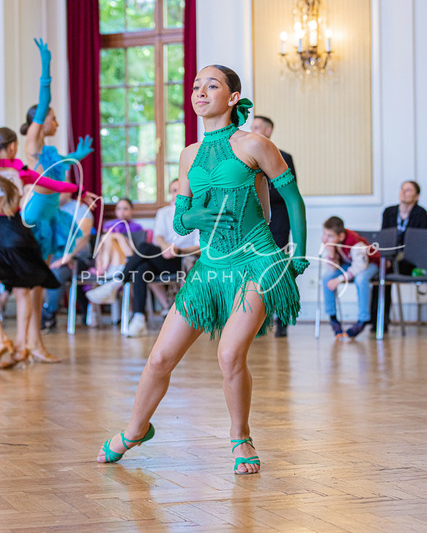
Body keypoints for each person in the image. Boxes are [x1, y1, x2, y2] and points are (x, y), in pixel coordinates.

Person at [95, 64, 309, 474]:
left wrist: (296, 254)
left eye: (212, 85)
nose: (200, 92)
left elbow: (293, 200)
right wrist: (196, 217)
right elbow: (180, 221)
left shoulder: (255, 143)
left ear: (233, 97)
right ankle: (136, 430)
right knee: (160, 358)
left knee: (229, 353)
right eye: (196, 86)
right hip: (209, 267)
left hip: (256, 261)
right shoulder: (188, 155)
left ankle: (240, 436)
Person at [19, 38, 95, 361]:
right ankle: (29, 343)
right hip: (37, 214)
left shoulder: (49, 151)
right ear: (41, 119)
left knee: (39, 282)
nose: (57, 122)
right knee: (32, 283)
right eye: (53, 118)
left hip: (52, 216)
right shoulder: (33, 140)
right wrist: (47, 67)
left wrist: (77, 155)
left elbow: (62, 165)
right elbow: (44, 100)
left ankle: (33, 343)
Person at [86, 179, 199, 337]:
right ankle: (139, 319)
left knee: (144, 248)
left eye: (180, 189)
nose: (178, 193)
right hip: (163, 255)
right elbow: (158, 237)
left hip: (182, 259)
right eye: (174, 190)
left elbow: (199, 246)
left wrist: (178, 250)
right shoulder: (163, 213)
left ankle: (116, 283)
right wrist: (166, 247)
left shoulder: (197, 213)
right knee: (142, 268)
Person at [0, 176, 61, 368]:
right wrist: (79, 191)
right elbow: (54, 185)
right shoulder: (15, 177)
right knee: (23, 291)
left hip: (4, 237)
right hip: (21, 236)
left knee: (22, 291)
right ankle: (21, 345)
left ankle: (2, 340)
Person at [251, 115, 297, 337]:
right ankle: (258, 320)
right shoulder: (247, 156)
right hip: (254, 222)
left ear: (268, 130)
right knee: (256, 270)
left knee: (278, 268)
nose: (253, 130)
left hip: (278, 220)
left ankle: (282, 319)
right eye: (252, 127)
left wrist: (263, 192)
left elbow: (289, 193)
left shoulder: (284, 157)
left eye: (257, 127)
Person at [370, 180, 427, 331]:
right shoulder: (389, 212)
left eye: (408, 190)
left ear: (416, 196)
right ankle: (378, 321)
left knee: (385, 271)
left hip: (410, 261)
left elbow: (418, 243)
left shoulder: (421, 214)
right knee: (380, 274)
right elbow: (385, 238)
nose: (403, 192)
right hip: (390, 258)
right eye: (402, 189)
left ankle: (380, 321)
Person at [41, 191, 95, 331]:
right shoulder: (50, 209)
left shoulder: (79, 208)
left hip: (78, 257)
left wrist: (68, 256)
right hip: (54, 255)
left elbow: (84, 235)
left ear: (69, 191)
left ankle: (48, 313)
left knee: (56, 272)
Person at [322, 216, 380, 339]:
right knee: (327, 277)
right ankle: (333, 319)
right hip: (349, 265)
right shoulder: (330, 244)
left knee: (361, 279)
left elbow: (360, 266)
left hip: (369, 264)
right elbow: (332, 269)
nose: (325, 239)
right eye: (324, 234)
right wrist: (331, 253)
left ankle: (362, 320)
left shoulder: (355, 242)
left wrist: (340, 279)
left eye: (329, 236)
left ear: (341, 236)